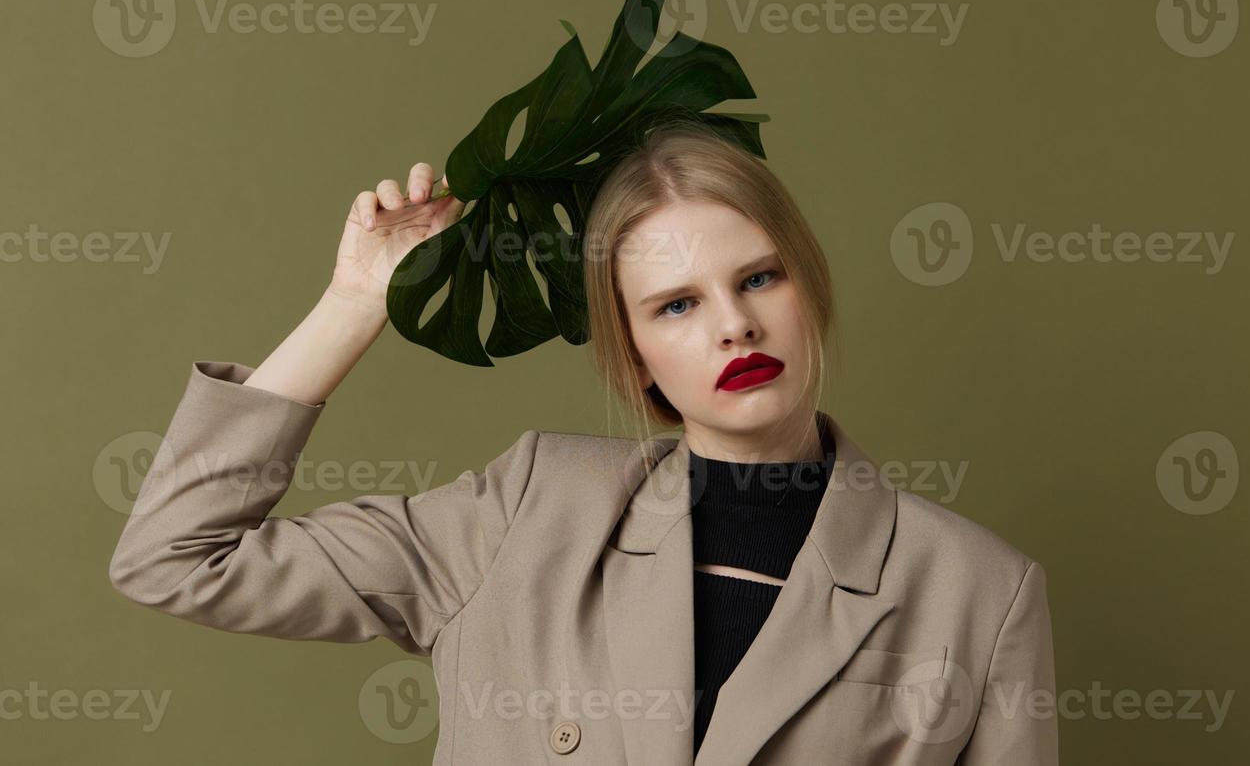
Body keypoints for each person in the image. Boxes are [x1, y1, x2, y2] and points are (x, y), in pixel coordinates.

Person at [108, 124, 1058, 765]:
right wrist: (358, 302)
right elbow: (174, 558)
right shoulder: (525, 513)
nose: (734, 326)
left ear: (809, 288)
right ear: (632, 349)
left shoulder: (978, 590)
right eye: (676, 304)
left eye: (759, 278)